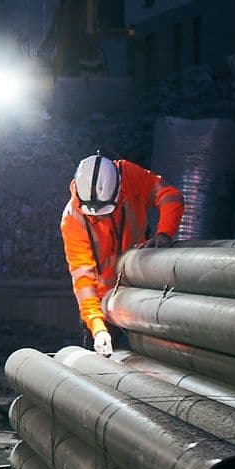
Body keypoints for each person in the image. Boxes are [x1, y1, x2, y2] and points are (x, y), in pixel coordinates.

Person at [61, 152, 183, 357]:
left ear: (119, 187)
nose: (104, 217)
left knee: (152, 359)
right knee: (100, 367)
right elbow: (83, 281)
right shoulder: (73, 220)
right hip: (102, 303)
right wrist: (98, 327)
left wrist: (164, 235)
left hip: (139, 288)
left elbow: (170, 196)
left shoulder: (129, 176)